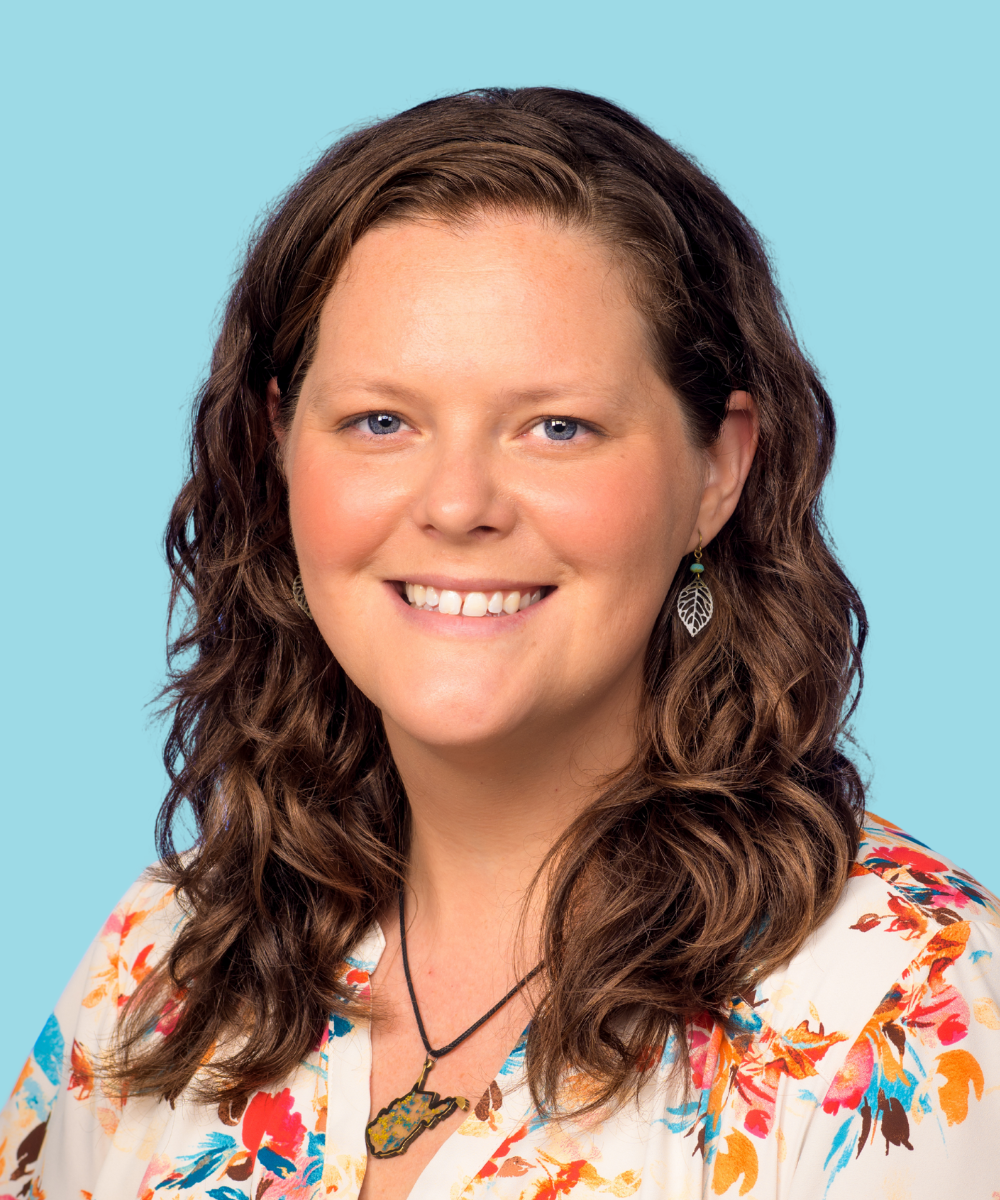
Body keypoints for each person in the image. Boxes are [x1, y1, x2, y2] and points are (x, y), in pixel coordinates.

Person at [2, 87, 997, 1200]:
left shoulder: (907, 1003)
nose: (458, 503)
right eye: (381, 421)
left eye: (556, 427)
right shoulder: (164, 957)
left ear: (718, 467)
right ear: (279, 446)